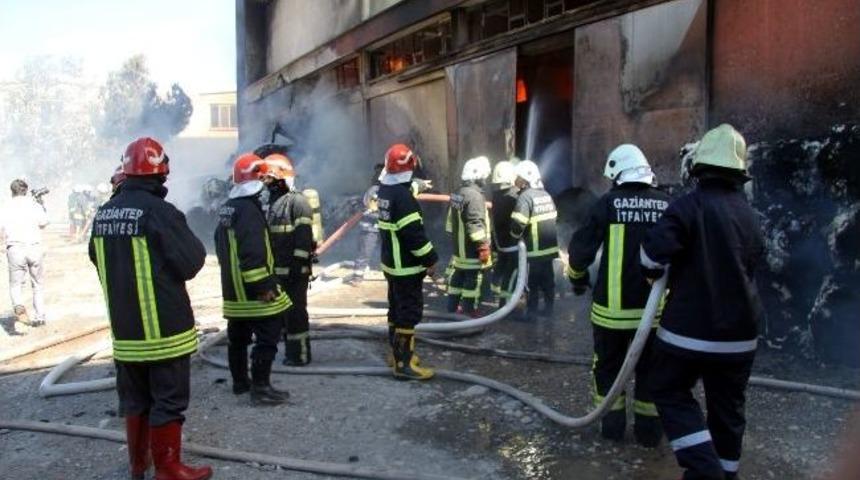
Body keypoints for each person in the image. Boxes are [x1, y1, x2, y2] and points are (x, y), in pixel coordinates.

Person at [641, 124, 764, 480]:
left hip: (689, 332)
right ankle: (725, 475)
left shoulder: (687, 207)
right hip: (742, 336)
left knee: (666, 387)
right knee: (728, 410)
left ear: (699, 167)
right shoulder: (750, 215)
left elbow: (650, 260)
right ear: (739, 173)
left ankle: (703, 469)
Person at [88, 137, 212, 480]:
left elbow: (97, 259)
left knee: (135, 400)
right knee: (168, 400)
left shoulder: (103, 214)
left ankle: (137, 466)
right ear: (162, 173)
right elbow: (191, 262)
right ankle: (169, 468)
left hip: (125, 334)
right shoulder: (160, 212)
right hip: (165, 331)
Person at [567, 144, 670, 446]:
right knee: (652, 373)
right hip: (654, 315)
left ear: (618, 174)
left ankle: (612, 430)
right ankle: (649, 434)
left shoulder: (606, 204)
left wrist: (577, 279)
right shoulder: (667, 204)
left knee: (608, 369)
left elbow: (579, 252)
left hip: (610, 314)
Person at [215, 152, 292, 405]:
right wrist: (264, 286)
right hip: (253, 293)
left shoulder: (228, 208)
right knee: (269, 335)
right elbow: (252, 253)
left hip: (233, 292)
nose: (266, 189)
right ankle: (261, 388)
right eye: (264, 182)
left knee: (237, 339)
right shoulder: (249, 211)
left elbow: (221, 248)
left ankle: (240, 383)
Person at [377, 143, 439, 380]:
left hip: (391, 265)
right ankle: (404, 365)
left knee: (395, 309)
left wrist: (416, 187)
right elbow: (414, 236)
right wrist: (431, 259)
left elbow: (402, 190)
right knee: (408, 313)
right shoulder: (404, 200)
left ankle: (396, 355)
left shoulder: (386, 192)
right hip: (406, 267)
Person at [265, 153, 315, 366]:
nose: (267, 185)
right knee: (283, 314)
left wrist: (298, 265)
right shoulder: (274, 202)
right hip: (279, 271)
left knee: (296, 314)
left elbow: (304, 238)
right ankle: (288, 351)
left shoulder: (298, 202)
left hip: (295, 272)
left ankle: (300, 355)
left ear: (282, 179)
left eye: (270, 180)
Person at [510, 160, 559, 318]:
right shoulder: (546, 195)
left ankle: (530, 314)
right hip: (549, 249)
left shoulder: (525, 197)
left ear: (525, 179)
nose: (516, 180)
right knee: (548, 280)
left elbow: (518, 223)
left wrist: (514, 237)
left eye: (518, 177)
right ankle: (549, 310)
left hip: (534, 251)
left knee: (533, 283)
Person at [445, 156, 493, 317]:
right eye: (484, 176)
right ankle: (469, 310)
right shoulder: (475, 196)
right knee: (473, 280)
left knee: (458, 277)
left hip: (459, 250)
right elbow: (475, 224)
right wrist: (483, 246)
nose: (485, 179)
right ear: (478, 176)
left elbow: (450, 223)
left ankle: (451, 308)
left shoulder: (457, 193)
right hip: (472, 250)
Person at [0, 179, 49, 328]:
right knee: (38, 284)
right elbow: (44, 223)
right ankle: (40, 317)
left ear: (12, 191)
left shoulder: (5, 206)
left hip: (14, 248)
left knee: (15, 284)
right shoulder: (34, 205)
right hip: (34, 247)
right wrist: (42, 204)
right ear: (26, 191)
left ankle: (19, 305)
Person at [489, 159, 520, 308]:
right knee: (512, 272)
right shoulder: (514, 196)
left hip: (500, 242)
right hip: (513, 244)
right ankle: (506, 305)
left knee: (502, 267)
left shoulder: (496, 195)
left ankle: (495, 292)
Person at [351, 163, 385, 283]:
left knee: (386, 251)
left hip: (381, 227)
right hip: (370, 228)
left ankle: (383, 269)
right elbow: (368, 209)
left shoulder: (384, 190)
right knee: (365, 251)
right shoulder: (374, 191)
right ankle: (357, 276)